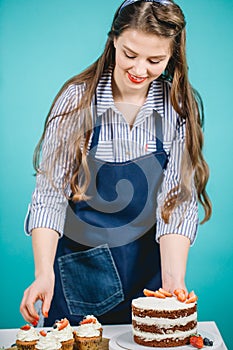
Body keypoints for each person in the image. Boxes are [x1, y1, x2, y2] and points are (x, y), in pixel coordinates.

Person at [20, 0, 212, 327]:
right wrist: (42, 273)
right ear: (114, 41)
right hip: (82, 278)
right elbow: (49, 194)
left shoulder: (178, 107)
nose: (139, 70)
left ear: (173, 55)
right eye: (130, 54)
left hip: (151, 276)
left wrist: (173, 281)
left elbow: (177, 201)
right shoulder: (77, 100)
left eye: (155, 60)